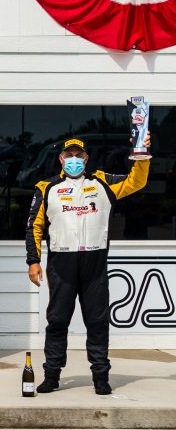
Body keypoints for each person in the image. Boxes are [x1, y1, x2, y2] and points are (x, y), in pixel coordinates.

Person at [26, 135, 150, 395]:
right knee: (57, 321)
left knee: (97, 322)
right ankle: (52, 376)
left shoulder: (103, 182)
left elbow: (136, 181)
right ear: (61, 159)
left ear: (86, 158)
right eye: (69, 155)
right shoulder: (46, 187)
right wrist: (33, 260)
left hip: (94, 262)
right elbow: (34, 227)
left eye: (78, 155)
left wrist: (141, 153)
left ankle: (101, 377)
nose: (74, 159)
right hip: (61, 263)